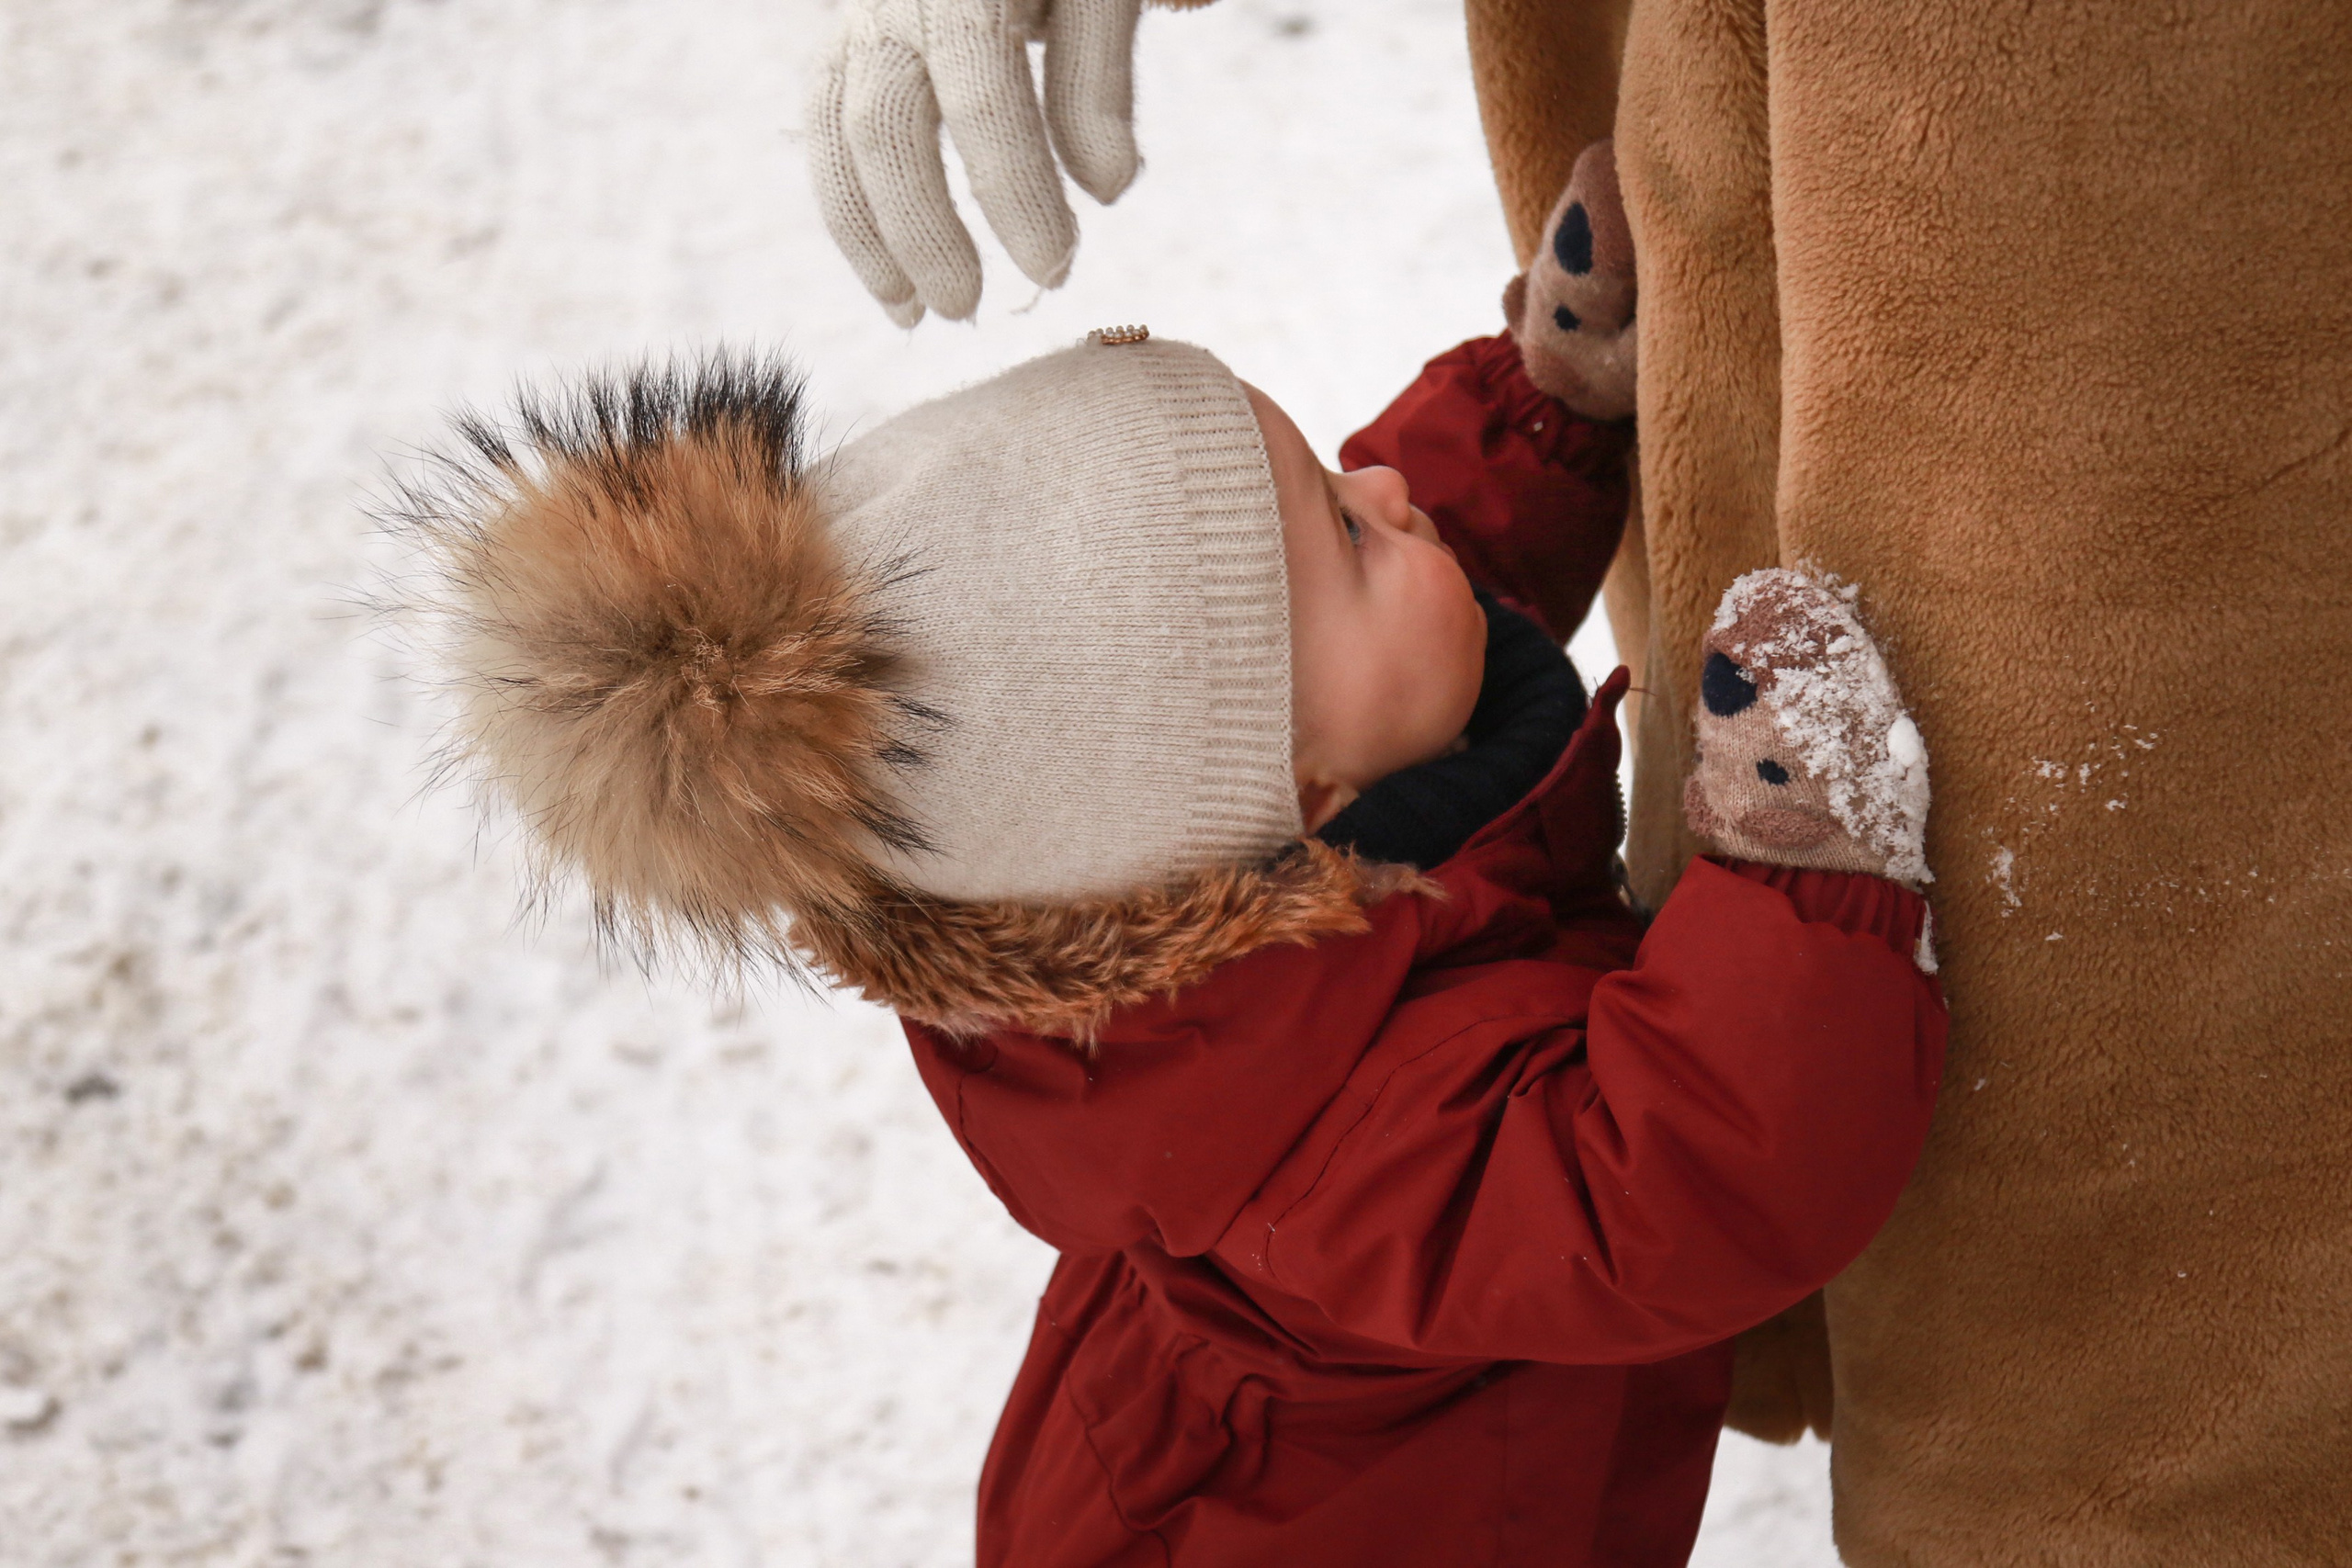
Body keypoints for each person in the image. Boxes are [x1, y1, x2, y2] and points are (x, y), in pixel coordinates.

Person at [395, 329, 1946, 1566]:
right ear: (1286, 795)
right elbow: (1676, 1186)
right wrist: (1798, 876)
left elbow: (1419, 600)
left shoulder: (1257, 816)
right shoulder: (1331, 1142)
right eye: (1346, 529)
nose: (1388, 493)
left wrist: (1544, 399)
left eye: (1344, 478)